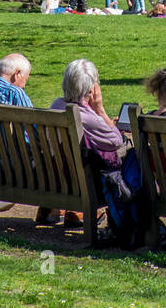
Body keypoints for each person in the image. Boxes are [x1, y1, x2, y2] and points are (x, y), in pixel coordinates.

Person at [43, 59, 124, 228]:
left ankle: (52, 209)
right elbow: (116, 141)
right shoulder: (85, 115)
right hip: (81, 182)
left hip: (52, 176)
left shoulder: (56, 105)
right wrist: (100, 110)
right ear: (90, 89)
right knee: (127, 150)